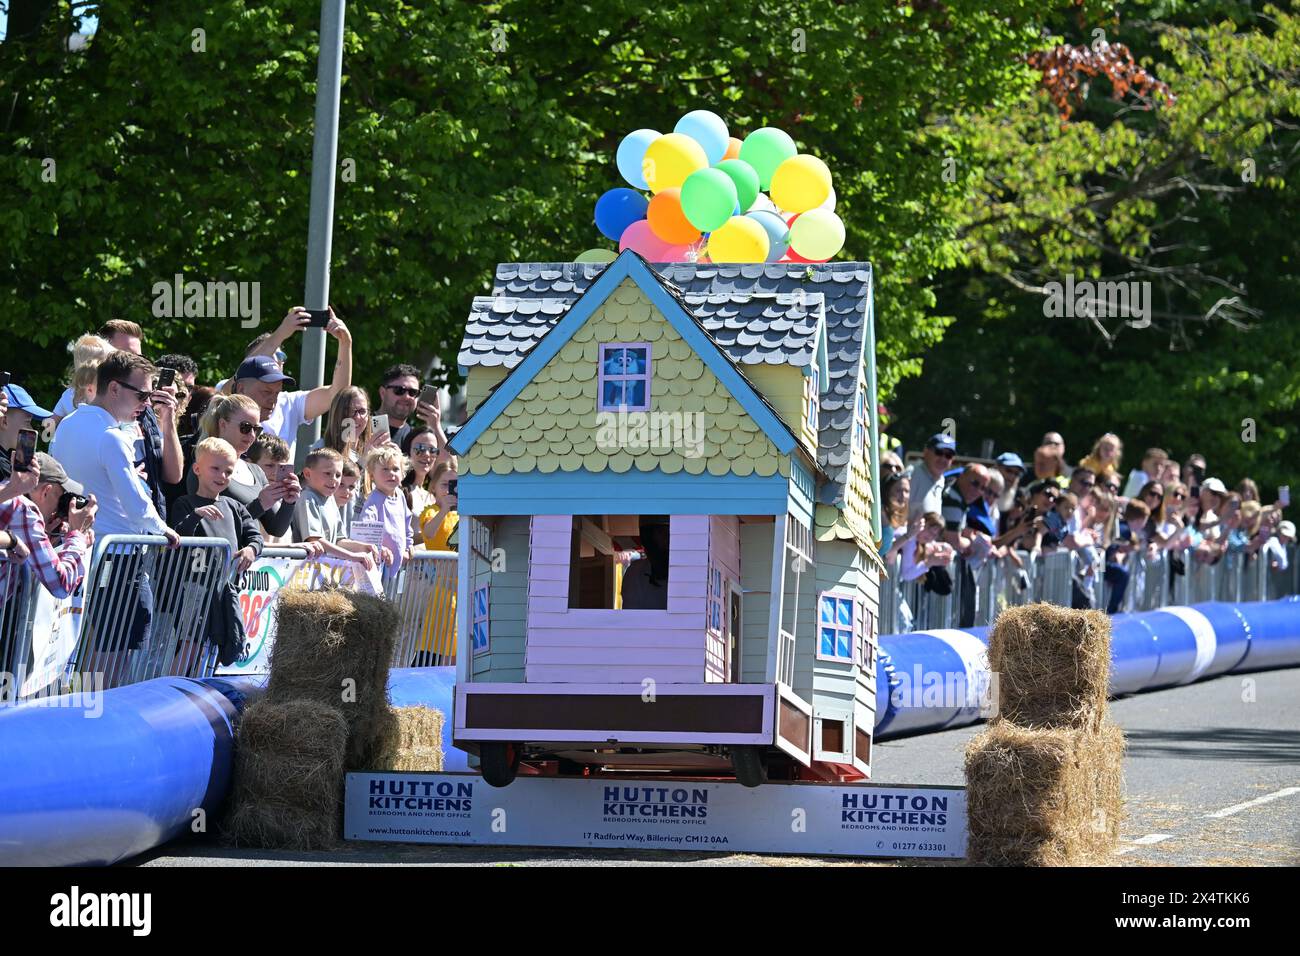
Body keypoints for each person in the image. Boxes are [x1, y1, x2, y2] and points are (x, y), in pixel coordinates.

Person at [49, 351, 178, 683]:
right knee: (113, 652)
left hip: (79, 550)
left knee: (81, 645)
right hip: (117, 559)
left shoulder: (68, 425)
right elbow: (135, 504)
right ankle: (100, 720)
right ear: (115, 389)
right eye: (142, 395)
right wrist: (163, 530)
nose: (146, 403)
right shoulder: (113, 437)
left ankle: (84, 713)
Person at [170, 438, 264, 670]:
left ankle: (201, 690)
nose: (222, 476)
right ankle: (174, 690)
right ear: (197, 469)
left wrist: (251, 549)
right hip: (195, 588)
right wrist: (196, 515)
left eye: (228, 471)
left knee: (220, 643)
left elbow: (256, 536)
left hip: (226, 588)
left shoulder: (234, 507)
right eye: (215, 469)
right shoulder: (184, 503)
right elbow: (178, 535)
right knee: (191, 644)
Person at [233, 306, 352, 456]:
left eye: (281, 357)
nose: (276, 362)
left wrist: (345, 343)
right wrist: (282, 332)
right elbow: (242, 373)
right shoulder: (228, 400)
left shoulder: (288, 402)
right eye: (269, 355)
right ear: (241, 388)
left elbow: (338, 395)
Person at [190, 394, 300, 540]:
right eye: (245, 427)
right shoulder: (206, 465)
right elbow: (210, 526)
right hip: (212, 559)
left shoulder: (255, 470)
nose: (252, 435)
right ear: (223, 424)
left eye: (257, 429)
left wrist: (289, 500)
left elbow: (276, 528)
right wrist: (259, 505)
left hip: (247, 558)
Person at [0, 453, 96, 600]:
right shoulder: (25, 512)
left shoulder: (6, 490)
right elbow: (61, 586)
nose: (59, 508)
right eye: (61, 496)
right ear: (46, 491)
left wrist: (47, 538)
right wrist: (78, 535)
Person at [290, 448, 376, 567]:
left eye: (338, 475)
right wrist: (352, 556)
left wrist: (362, 547)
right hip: (303, 572)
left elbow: (339, 541)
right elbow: (315, 540)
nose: (334, 480)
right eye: (327, 473)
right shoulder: (307, 498)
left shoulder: (330, 499)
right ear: (307, 474)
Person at [355, 445, 413, 580]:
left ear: (403, 474)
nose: (391, 473)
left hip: (397, 564)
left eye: (395, 469)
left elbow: (406, 523)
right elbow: (366, 529)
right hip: (379, 565)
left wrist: (408, 547)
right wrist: (379, 549)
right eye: (385, 469)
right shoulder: (374, 498)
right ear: (372, 474)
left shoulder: (400, 495)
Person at [376, 364, 447, 452]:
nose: (407, 397)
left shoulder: (417, 437)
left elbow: (450, 464)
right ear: (383, 393)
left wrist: (436, 426)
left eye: (412, 392)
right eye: (399, 390)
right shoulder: (361, 425)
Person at [51, 334, 114, 424]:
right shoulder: (70, 395)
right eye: (107, 364)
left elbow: (51, 423)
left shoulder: (69, 394)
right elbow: (52, 421)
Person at [0, 384, 53, 483]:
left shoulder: (10, 462)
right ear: (4, 422)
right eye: (28, 422)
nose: (32, 429)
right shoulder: (2, 469)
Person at [622, 516, 670, 610]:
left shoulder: (692, 572)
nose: (664, 540)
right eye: (659, 533)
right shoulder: (635, 573)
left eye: (666, 534)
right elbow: (631, 618)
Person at [401, 426, 439, 536]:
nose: (427, 454)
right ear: (408, 452)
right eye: (420, 448)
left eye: (433, 450)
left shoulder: (432, 496)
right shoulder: (398, 491)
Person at [908, 433, 955, 519]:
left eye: (948, 455)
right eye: (939, 452)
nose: (943, 459)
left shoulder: (941, 479)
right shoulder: (912, 474)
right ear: (926, 451)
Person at [420, 462, 459, 551]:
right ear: (434, 487)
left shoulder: (463, 514)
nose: (448, 491)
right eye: (444, 485)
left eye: (454, 485)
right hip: (436, 564)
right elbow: (429, 534)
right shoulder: (430, 511)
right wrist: (444, 510)